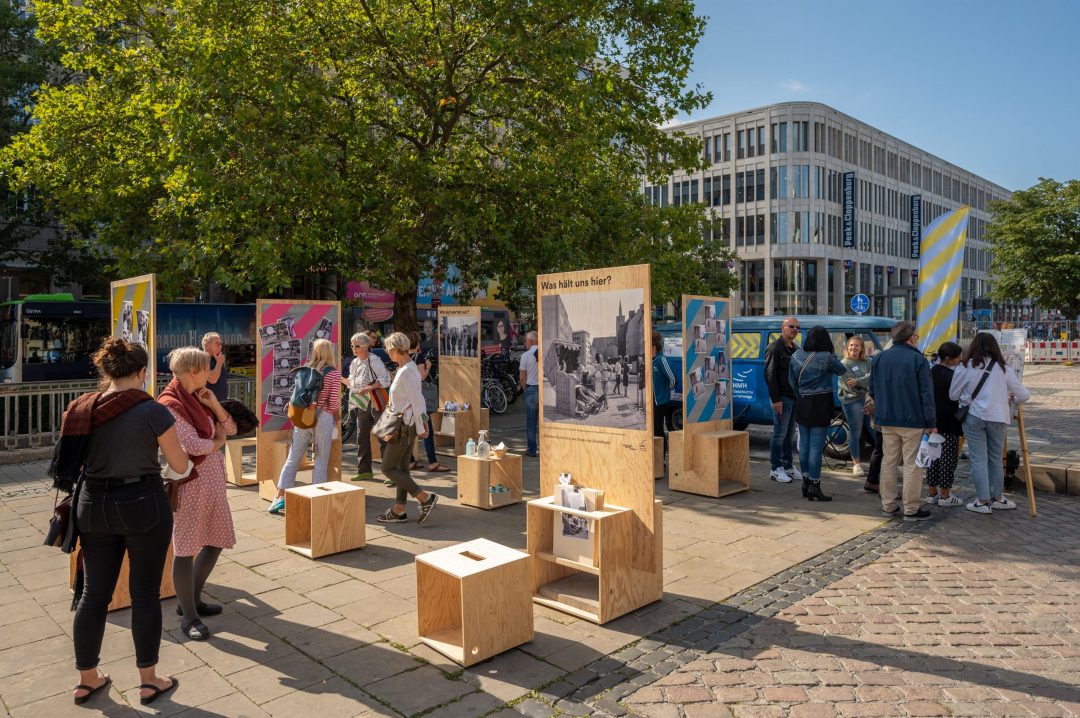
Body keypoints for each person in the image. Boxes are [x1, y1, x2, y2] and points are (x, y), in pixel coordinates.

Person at [54, 338, 187, 706]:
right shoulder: (152, 411)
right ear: (143, 372)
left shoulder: (80, 408)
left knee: (93, 594)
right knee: (144, 594)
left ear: (106, 370)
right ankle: (149, 680)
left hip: (93, 504)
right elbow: (178, 465)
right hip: (143, 503)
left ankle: (87, 678)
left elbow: (72, 464)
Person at [158, 347, 237, 641]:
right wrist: (217, 441)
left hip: (213, 480)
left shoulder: (198, 398)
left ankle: (191, 599)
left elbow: (229, 426)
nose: (210, 373)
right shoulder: (169, 404)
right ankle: (188, 615)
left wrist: (215, 403)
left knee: (215, 540)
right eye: (206, 368)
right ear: (193, 371)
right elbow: (193, 445)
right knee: (186, 549)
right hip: (190, 484)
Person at [950, 332, 1031, 514]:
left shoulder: (966, 366)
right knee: (995, 459)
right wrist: (1012, 397)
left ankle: (982, 501)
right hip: (998, 418)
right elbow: (1024, 395)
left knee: (978, 459)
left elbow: (953, 395)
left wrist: (966, 396)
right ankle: (997, 498)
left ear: (973, 346)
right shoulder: (1004, 368)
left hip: (974, 417)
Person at [869, 321, 936, 521]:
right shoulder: (918, 360)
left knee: (888, 462)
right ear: (911, 337)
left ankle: (888, 505)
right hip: (912, 420)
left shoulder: (879, 358)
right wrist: (931, 421)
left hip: (887, 418)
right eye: (916, 336)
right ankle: (911, 508)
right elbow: (926, 394)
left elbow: (872, 390)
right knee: (912, 465)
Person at [268, 339, 341, 514]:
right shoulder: (333, 374)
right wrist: (337, 419)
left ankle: (280, 497)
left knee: (293, 458)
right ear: (330, 352)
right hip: (323, 418)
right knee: (320, 460)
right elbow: (333, 403)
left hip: (302, 418)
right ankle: (315, 502)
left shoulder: (305, 369)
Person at [375, 332, 439, 523]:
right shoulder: (406, 368)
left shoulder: (407, 371)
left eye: (388, 349)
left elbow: (418, 401)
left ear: (395, 349)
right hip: (406, 425)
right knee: (402, 468)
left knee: (388, 467)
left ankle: (425, 498)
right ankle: (399, 510)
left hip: (404, 426)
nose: (387, 353)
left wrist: (422, 427)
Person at [788, 326, 847, 501]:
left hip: (803, 402)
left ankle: (805, 481)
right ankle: (815, 484)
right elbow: (842, 371)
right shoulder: (827, 357)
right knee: (816, 446)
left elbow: (791, 382)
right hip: (821, 402)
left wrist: (801, 394)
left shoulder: (796, 355)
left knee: (804, 445)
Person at [343, 333, 391, 480]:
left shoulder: (374, 360)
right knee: (361, 436)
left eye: (356, 346)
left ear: (365, 346)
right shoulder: (354, 363)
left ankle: (391, 473)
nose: (353, 348)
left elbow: (386, 379)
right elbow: (352, 381)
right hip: (361, 402)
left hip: (375, 401)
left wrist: (370, 388)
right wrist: (341, 380)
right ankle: (364, 471)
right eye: (352, 345)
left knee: (382, 436)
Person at [927, 342, 965, 507]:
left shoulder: (931, 371)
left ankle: (932, 492)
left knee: (933, 458)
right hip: (949, 422)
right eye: (958, 357)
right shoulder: (953, 376)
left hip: (932, 422)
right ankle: (945, 495)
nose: (960, 360)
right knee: (948, 459)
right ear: (948, 359)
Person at [765, 317, 802, 483]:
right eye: (791, 326)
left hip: (794, 398)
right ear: (783, 328)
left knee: (789, 434)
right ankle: (775, 468)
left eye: (797, 328)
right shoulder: (775, 347)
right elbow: (770, 374)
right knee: (779, 434)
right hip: (782, 399)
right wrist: (775, 399)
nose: (795, 329)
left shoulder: (796, 349)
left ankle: (788, 466)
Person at [408, 331, 449, 472]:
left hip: (409, 400)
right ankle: (432, 462)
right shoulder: (418, 357)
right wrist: (428, 366)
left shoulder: (403, 358)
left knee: (410, 431)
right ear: (417, 343)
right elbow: (422, 377)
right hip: (421, 401)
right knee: (427, 431)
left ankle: (410, 461)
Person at [839, 336, 875, 477]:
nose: (854, 348)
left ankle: (880, 462)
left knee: (875, 431)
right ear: (847, 347)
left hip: (868, 400)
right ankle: (856, 464)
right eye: (851, 345)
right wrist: (865, 382)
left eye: (857, 346)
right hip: (852, 401)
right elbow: (849, 385)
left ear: (861, 348)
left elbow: (874, 377)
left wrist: (859, 381)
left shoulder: (868, 361)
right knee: (856, 433)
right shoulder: (844, 363)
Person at [651, 331, 677, 452]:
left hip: (660, 402)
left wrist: (664, 393)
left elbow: (673, 379)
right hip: (652, 401)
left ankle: (661, 461)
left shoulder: (661, 360)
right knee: (654, 430)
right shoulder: (653, 361)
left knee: (658, 430)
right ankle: (657, 459)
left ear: (654, 347)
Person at [519, 331, 540, 457]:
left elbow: (522, 376)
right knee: (544, 423)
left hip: (531, 390)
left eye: (526, 341)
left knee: (531, 423)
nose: (525, 344)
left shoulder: (525, 355)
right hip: (543, 391)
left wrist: (524, 388)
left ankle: (532, 450)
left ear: (531, 341)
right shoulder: (543, 353)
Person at [201, 332, 229, 403]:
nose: (220, 346)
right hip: (209, 405)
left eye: (220, 344)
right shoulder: (201, 359)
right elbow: (213, 379)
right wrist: (219, 363)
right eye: (217, 344)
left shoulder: (217, 358)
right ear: (206, 345)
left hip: (221, 403)